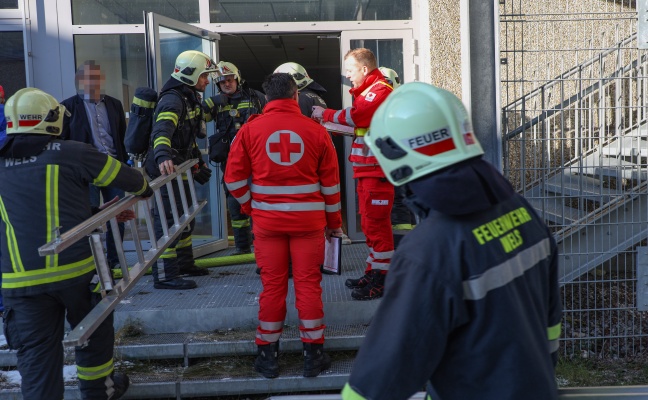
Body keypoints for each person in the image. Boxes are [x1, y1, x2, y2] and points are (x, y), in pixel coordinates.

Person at [341, 83, 562, 400]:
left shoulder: (427, 251)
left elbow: (378, 383)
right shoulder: (522, 210)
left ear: (395, 155)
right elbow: (550, 328)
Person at [0, 88, 154, 400]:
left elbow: (29, 212)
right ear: (53, 119)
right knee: (93, 335)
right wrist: (144, 190)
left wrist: (95, 213)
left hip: (22, 285)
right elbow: (131, 180)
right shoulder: (71, 152)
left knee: (37, 362)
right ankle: (99, 392)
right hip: (77, 274)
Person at [224, 73, 343, 379]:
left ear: (266, 99)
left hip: (268, 225)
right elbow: (331, 185)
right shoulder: (317, 132)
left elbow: (233, 180)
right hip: (310, 224)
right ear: (294, 96)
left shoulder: (250, 130)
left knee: (272, 288)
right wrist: (335, 225)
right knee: (308, 286)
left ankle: (267, 358)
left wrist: (253, 207)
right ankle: (313, 357)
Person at [311, 48, 394, 301]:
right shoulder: (370, 91)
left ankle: (383, 280)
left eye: (350, 70)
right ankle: (373, 272)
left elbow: (358, 116)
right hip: (368, 169)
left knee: (377, 226)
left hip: (376, 170)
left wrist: (325, 114)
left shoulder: (380, 89)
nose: (347, 76)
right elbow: (362, 127)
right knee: (370, 225)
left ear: (364, 69)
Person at [145, 50, 216, 290]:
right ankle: (165, 275)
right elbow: (162, 130)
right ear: (191, 74)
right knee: (167, 222)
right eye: (204, 75)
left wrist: (197, 162)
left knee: (185, 219)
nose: (207, 80)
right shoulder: (173, 100)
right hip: (166, 171)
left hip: (180, 168)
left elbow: (189, 139)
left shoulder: (189, 97)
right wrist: (163, 155)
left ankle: (184, 263)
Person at [61, 60, 128, 270]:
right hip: (84, 173)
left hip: (113, 168)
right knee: (87, 218)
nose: (93, 82)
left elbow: (121, 136)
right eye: (88, 78)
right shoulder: (67, 108)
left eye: (97, 77)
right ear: (79, 81)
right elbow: (63, 142)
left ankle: (114, 261)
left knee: (118, 216)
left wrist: (126, 164)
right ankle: (92, 263)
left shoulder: (114, 104)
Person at [204, 61, 266, 255]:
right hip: (230, 160)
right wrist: (207, 104)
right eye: (222, 82)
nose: (227, 84)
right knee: (234, 200)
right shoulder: (216, 102)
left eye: (230, 80)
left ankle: (264, 245)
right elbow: (197, 119)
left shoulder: (256, 97)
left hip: (255, 157)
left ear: (237, 80)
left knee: (260, 200)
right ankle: (242, 246)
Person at [377, 67, 416, 248]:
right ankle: (410, 245)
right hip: (406, 159)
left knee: (399, 202)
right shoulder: (403, 101)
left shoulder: (391, 103)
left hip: (397, 159)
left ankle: (402, 247)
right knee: (406, 201)